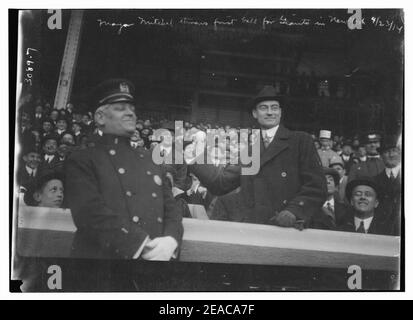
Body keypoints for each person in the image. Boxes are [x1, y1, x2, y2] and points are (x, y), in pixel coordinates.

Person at [65, 79, 183, 260]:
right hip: (103, 268)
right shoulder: (83, 160)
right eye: (120, 108)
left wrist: (171, 241)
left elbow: (172, 209)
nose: (131, 114)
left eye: (132, 109)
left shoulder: (150, 159)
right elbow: (89, 214)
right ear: (100, 117)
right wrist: (140, 245)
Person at [189, 85, 327, 228]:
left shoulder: (300, 141)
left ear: (280, 112)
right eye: (263, 108)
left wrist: (294, 211)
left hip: (289, 228)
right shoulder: (250, 151)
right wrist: (198, 157)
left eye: (274, 108)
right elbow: (221, 184)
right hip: (256, 229)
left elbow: (317, 187)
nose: (269, 112)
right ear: (255, 113)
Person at [374, 135, 401, 236]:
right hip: (383, 232)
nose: (391, 155)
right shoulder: (375, 180)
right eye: (386, 152)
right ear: (381, 156)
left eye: (394, 151)